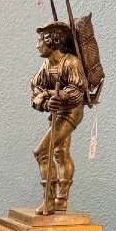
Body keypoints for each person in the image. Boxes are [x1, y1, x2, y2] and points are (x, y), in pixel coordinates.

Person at [31, 19, 89, 214]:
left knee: (42, 152)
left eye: (41, 40)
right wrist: (46, 101)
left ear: (52, 41)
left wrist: (57, 96)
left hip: (72, 112)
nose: (37, 44)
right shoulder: (46, 66)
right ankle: (61, 199)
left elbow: (76, 91)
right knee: (60, 152)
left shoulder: (71, 63)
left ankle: (49, 201)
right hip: (57, 112)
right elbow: (36, 90)